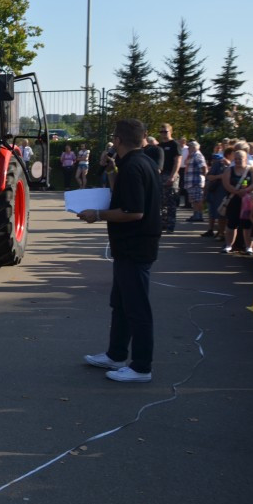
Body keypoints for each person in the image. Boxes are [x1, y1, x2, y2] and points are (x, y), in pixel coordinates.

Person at [78, 118, 162, 383]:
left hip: (135, 246)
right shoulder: (140, 163)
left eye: (114, 138)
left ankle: (141, 367)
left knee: (136, 308)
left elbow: (134, 211)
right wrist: (112, 170)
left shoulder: (134, 166)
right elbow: (123, 196)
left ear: (117, 140)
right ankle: (116, 355)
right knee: (122, 304)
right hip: (130, 246)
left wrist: (97, 214)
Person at [221, 149, 253, 255]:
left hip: (247, 201)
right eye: (236, 159)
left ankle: (249, 247)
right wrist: (236, 191)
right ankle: (228, 245)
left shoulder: (252, 170)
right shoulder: (229, 170)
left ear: (245, 159)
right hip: (233, 200)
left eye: (240, 159)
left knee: (247, 225)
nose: (238, 161)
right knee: (231, 224)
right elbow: (226, 184)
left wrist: (245, 190)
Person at [158, 124, 182, 233]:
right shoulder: (160, 146)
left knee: (171, 201)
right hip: (161, 175)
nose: (163, 134)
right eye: (161, 132)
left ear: (170, 132)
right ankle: (162, 223)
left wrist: (173, 175)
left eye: (165, 131)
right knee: (161, 201)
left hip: (170, 174)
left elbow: (177, 161)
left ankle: (170, 225)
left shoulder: (174, 145)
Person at [183, 141, 207, 223]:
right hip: (192, 182)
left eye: (190, 147)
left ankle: (199, 215)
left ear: (194, 147)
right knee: (194, 199)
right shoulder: (192, 155)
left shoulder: (197, 155)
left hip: (196, 182)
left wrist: (204, 178)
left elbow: (203, 167)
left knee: (198, 199)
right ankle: (196, 214)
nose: (188, 149)